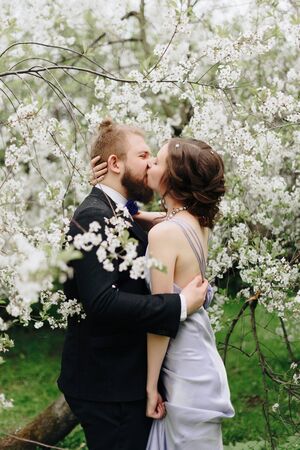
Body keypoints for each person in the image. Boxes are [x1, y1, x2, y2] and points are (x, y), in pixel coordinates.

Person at [57, 119, 209, 450]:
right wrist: (180, 304)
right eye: (143, 156)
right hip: (109, 386)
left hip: (121, 378)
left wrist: (144, 216)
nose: (151, 164)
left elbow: (126, 229)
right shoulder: (93, 217)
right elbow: (102, 302)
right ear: (115, 163)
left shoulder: (113, 212)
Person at [92, 136, 235, 449]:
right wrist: (108, 190)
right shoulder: (197, 221)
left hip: (182, 367)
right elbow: (140, 217)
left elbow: (160, 319)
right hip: (200, 354)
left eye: (156, 161)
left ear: (172, 178)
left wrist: (151, 385)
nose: (149, 165)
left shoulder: (163, 233)